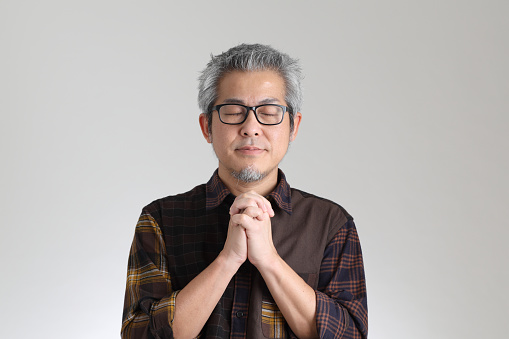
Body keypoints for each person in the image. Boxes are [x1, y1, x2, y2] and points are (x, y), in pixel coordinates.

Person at [121, 43, 368, 339]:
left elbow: (350, 334)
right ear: (207, 127)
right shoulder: (161, 218)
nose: (251, 127)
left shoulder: (330, 223)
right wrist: (227, 261)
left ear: (293, 127)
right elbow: (139, 334)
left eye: (268, 111)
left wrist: (269, 261)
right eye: (234, 111)